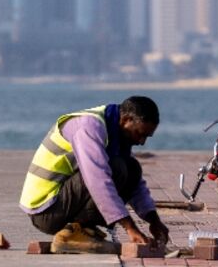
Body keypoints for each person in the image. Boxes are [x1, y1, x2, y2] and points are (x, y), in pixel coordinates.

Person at [19, 95, 171, 254]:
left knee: (132, 168)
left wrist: (154, 220)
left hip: (62, 204)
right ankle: (73, 233)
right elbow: (98, 181)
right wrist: (130, 228)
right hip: (46, 210)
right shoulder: (89, 127)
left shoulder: (116, 131)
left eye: (147, 136)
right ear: (126, 120)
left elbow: (136, 186)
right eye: (140, 134)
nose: (142, 142)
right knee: (116, 167)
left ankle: (83, 231)